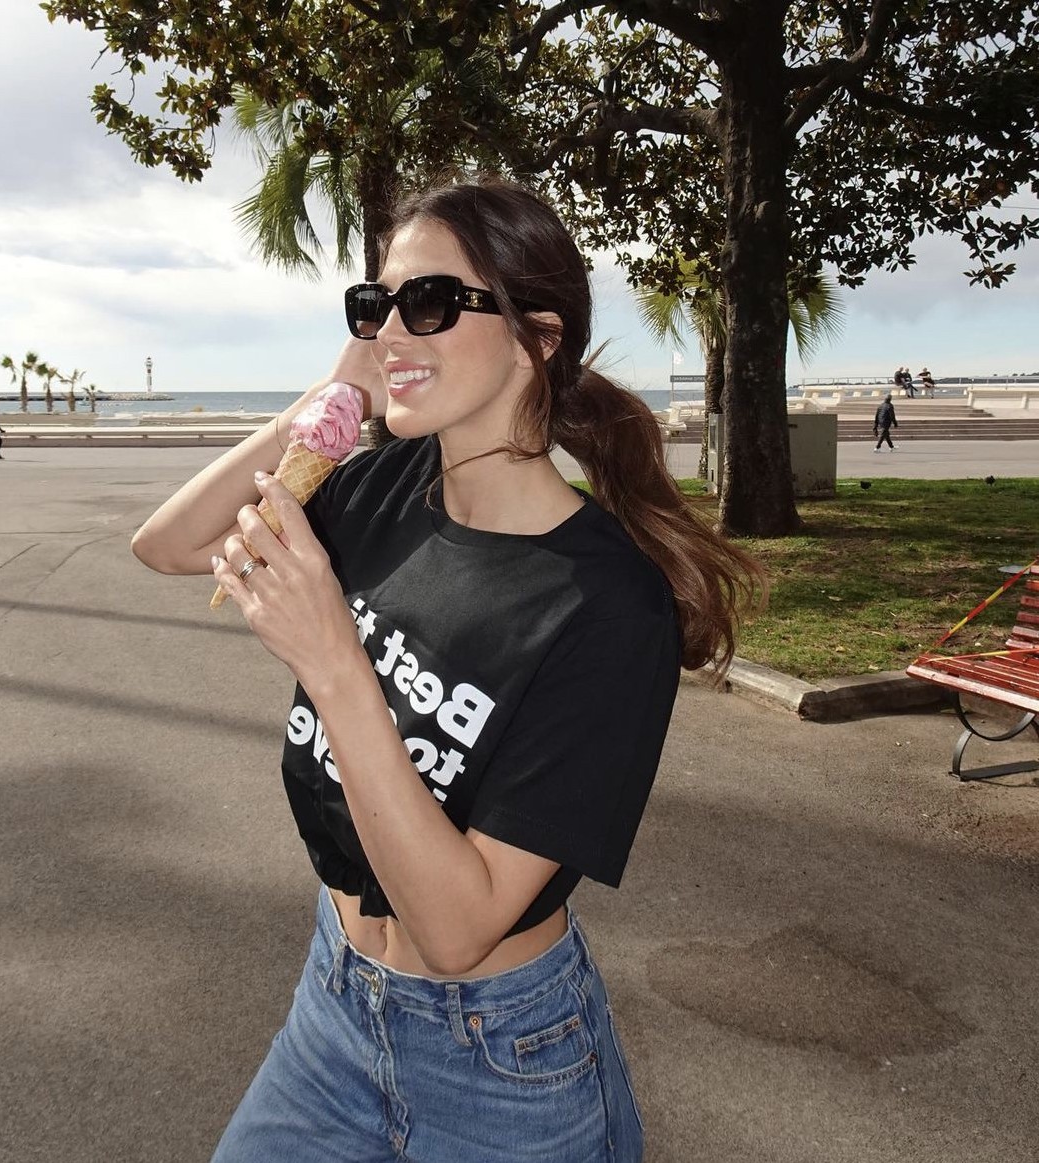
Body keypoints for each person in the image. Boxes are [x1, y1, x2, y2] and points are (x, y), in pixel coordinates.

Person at [132, 175, 763, 1163]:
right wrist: (333, 398)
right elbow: (167, 545)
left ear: (537, 336)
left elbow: (458, 925)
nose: (392, 331)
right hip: (335, 1003)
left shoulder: (606, 607)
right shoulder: (378, 487)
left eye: (430, 303)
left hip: (503, 1065)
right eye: (375, 304)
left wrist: (334, 659)